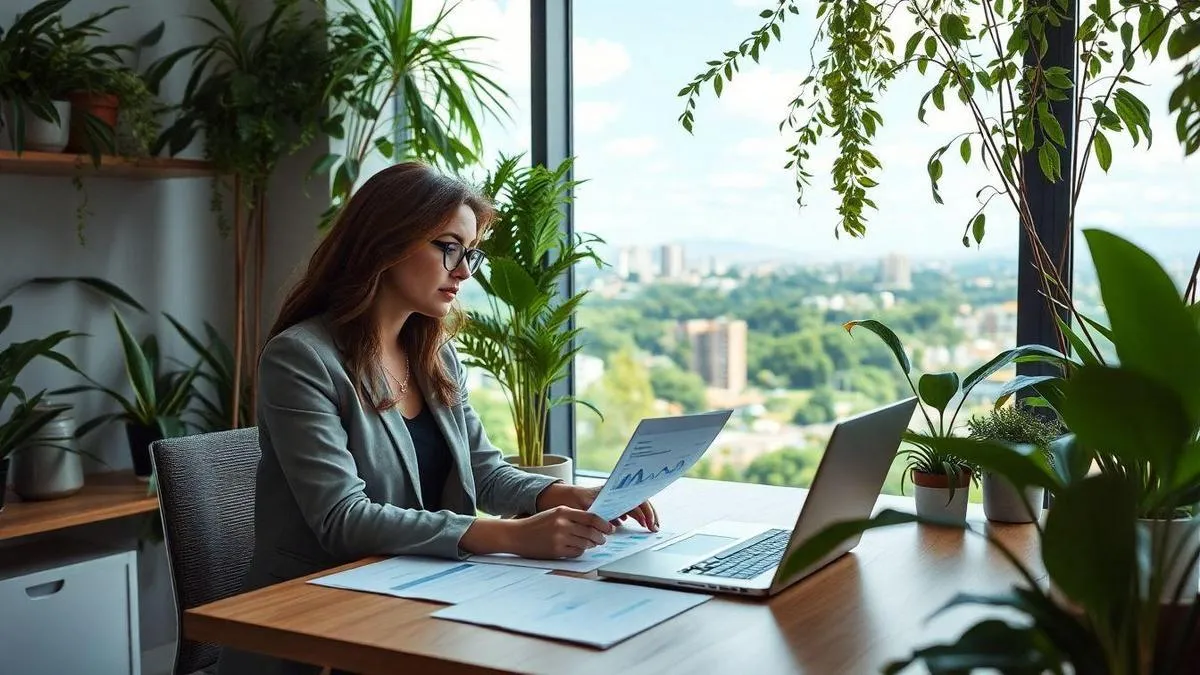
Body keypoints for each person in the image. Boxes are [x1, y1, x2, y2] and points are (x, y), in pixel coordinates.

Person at [217, 162, 657, 675]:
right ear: (387, 241)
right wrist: (511, 536)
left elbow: (484, 471)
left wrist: (564, 495)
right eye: (448, 248)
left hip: (414, 603)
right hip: (316, 629)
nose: (465, 271)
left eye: (470, 253)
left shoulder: (432, 354)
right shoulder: (301, 358)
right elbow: (342, 519)